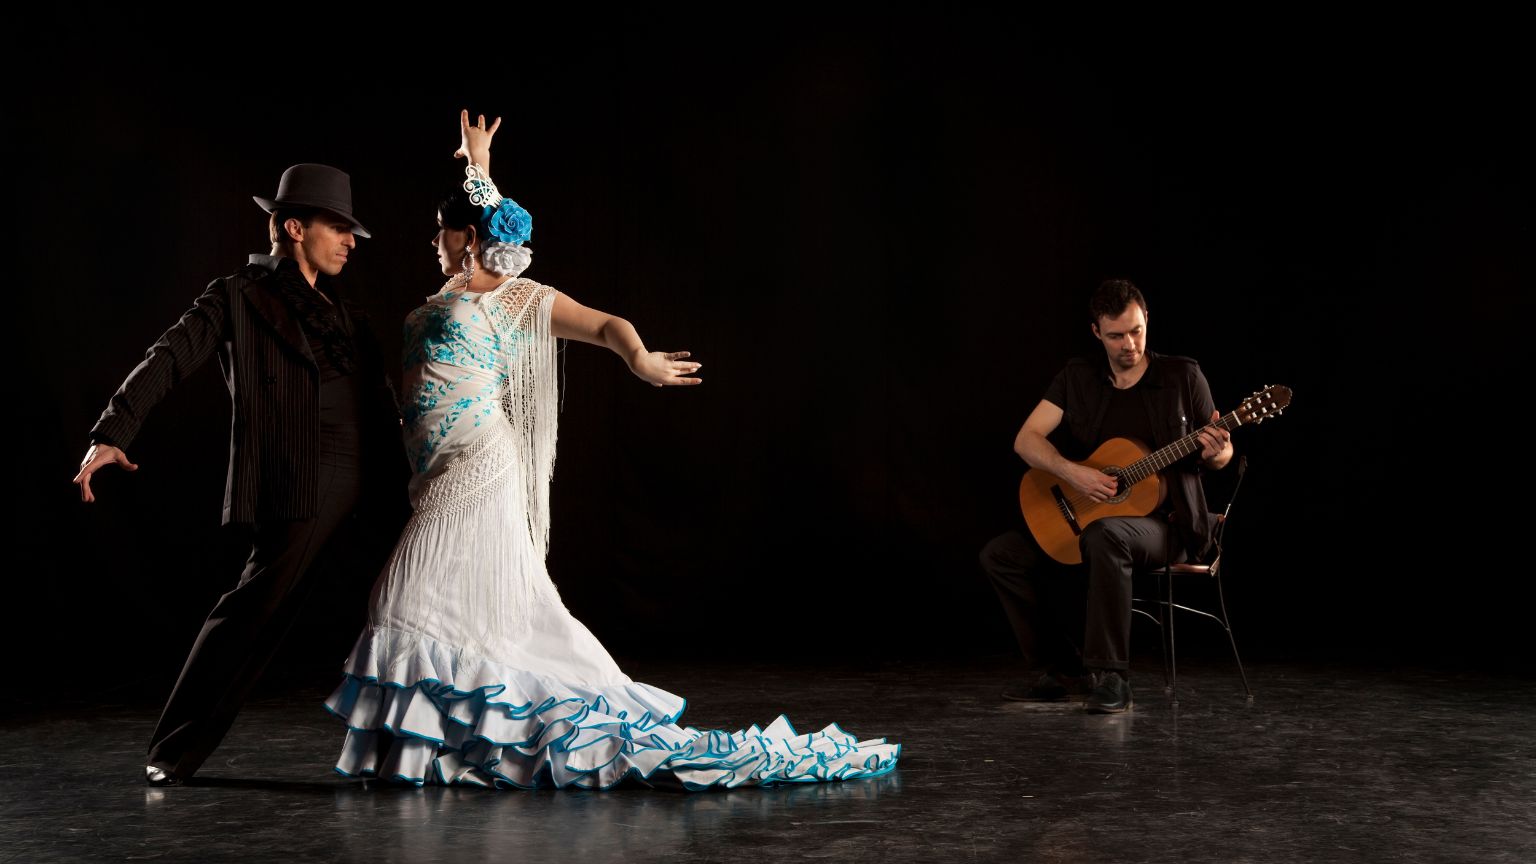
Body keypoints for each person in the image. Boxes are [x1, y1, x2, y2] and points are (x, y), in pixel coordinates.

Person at [324, 111, 900, 789]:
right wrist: (476, 164)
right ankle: (440, 754)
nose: (432, 241)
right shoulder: (451, 291)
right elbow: (484, 216)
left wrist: (639, 359)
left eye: (442, 231)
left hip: (481, 467)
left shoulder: (514, 298)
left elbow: (604, 323)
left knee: (405, 603)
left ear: (470, 239)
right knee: (462, 615)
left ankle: (427, 752)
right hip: (437, 465)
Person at [73, 163, 409, 785]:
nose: (350, 241)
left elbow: (385, 403)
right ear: (291, 227)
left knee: (407, 607)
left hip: (379, 477)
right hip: (306, 475)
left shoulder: (349, 315)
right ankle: (172, 751)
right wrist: (109, 434)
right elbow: (168, 357)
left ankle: (409, 753)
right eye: (337, 226)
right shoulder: (236, 295)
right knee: (254, 610)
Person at [979, 279, 1233, 714]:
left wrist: (1218, 450)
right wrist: (1072, 473)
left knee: (1105, 535)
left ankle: (1112, 677)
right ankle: (1063, 671)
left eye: (1136, 331)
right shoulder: (1078, 378)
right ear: (1096, 332)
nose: (1129, 344)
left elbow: (1221, 456)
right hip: (1091, 515)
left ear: (1147, 320)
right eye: (1116, 335)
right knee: (1000, 555)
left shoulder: (1182, 376)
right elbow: (1026, 440)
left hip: (1167, 526)